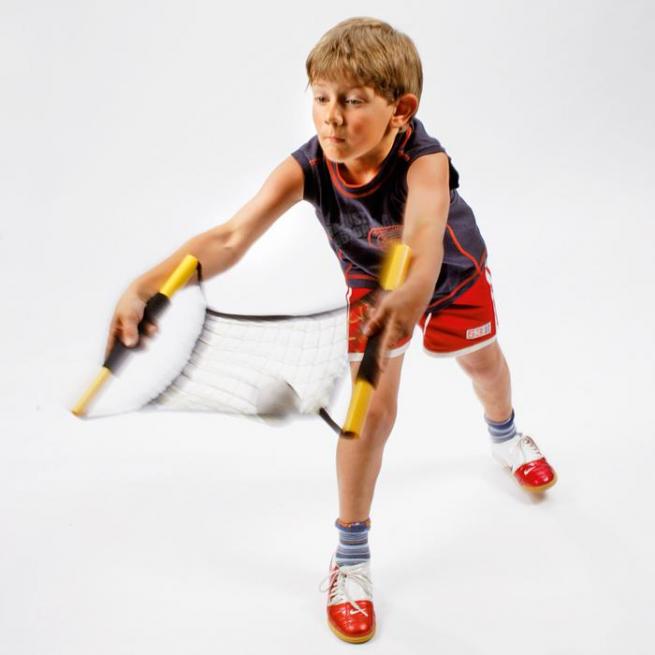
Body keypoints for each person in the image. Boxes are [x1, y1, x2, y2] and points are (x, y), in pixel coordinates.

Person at [105, 16, 557, 645]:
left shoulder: (425, 162)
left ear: (401, 110)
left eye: (352, 101)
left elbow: (425, 243)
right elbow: (230, 238)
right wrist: (148, 285)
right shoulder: (309, 167)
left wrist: (410, 297)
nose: (332, 118)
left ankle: (506, 436)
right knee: (370, 414)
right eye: (321, 98)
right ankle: (350, 560)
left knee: (482, 364)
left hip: (450, 276)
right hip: (373, 288)